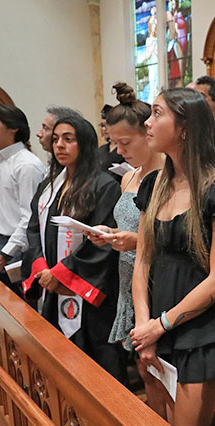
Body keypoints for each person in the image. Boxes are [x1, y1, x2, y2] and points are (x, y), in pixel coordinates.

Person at [131, 87, 215, 426]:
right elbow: (143, 260)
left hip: (199, 332)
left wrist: (160, 325)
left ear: (184, 127)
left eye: (157, 113)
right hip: (153, 325)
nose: (147, 123)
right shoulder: (155, 184)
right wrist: (142, 325)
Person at [21, 115, 126, 383]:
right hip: (53, 285)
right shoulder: (49, 186)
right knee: (59, 360)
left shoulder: (104, 185)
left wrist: (62, 274)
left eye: (69, 139)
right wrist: (42, 268)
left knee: (95, 365)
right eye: (56, 139)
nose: (59, 146)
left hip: (88, 294)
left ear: (85, 143)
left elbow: (102, 241)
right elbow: (33, 229)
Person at [86, 82, 167, 409]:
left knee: (160, 369)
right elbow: (128, 224)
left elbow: (180, 239)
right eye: (113, 142)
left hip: (155, 280)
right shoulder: (129, 177)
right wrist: (109, 232)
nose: (118, 151)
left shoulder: (166, 176)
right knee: (143, 370)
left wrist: (135, 241)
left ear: (148, 134)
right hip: (127, 279)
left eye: (125, 142)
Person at [0, 104, 47, 290]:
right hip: (1, 241)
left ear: (13, 127)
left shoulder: (27, 165)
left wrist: (5, 255)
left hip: (20, 247)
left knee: (20, 307)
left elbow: (30, 217)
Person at [97, 104, 125, 183]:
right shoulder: (101, 149)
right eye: (102, 125)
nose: (104, 129)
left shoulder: (125, 149)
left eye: (106, 125)